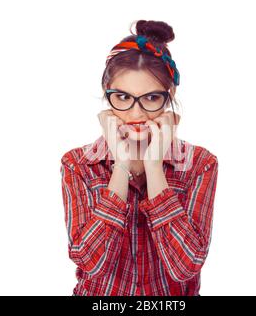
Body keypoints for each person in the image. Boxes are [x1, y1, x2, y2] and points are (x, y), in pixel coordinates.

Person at [60, 20, 218, 296]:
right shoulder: (78, 163)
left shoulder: (200, 164)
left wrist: (153, 166)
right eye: (122, 97)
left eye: (151, 98)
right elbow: (89, 262)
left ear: (169, 97)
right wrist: (121, 165)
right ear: (107, 94)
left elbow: (185, 267)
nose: (136, 114)